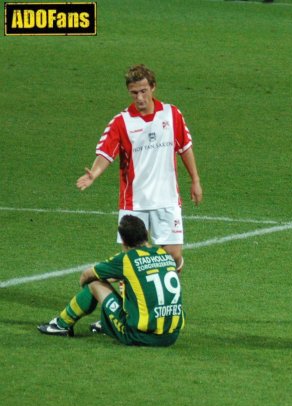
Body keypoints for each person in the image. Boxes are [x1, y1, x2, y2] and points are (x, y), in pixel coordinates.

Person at [76, 64, 203, 273]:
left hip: (167, 198)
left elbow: (185, 147)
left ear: (153, 87)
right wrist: (94, 174)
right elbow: (106, 152)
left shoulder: (172, 115)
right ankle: (134, 302)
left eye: (143, 91)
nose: (140, 97)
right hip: (134, 203)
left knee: (173, 255)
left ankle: (168, 300)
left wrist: (195, 180)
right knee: (134, 261)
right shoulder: (121, 122)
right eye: (134, 93)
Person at [38, 215, 185, 347]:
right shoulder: (165, 255)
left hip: (139, 336)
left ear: (123, 241)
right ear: (146, 234)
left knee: (94, 284)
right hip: (171, 336)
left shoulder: (127, 259)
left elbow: (86, 275)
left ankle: (61, 325)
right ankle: (107, 322)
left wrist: (86, 291)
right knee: (133, 284)